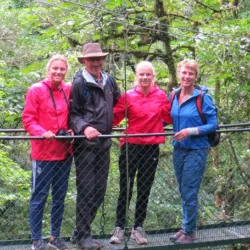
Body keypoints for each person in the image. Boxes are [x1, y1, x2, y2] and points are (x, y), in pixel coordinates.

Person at [109, 61, 172, 245]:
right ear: (136, 76)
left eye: (148, 74)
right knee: (125, 187)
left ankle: (138, 227)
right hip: (131, 146)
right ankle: (119, 227)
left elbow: (169, 116)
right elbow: (114, 117)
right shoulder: (128, 96)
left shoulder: (160, 96)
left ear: (153, 76)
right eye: (141, 74)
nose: (144, 77)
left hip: (151, 147)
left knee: (144, 188)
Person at [69, 43, 121, 249]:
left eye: (99, 58)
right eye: (91, 59)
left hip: (104, 143)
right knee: (86, 190)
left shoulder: (109, 80)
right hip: (85, 146)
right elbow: (72, 114)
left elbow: (116, 101)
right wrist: (85, 127)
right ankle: (83, 237)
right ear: (84, 61)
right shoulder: (79, 83)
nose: (96, 62)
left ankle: (79, 231)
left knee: (99, 190)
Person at [22, 55, 72, 250]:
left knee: (60, 196)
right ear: (48, 69)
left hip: (64, 152)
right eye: (55, 68)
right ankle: (36, 241)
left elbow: (72, 116)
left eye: (62, 69)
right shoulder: (36, 90)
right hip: (43, 152)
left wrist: (72, 130)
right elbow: (28, 119)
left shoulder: (68, 90)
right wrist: (43, 132)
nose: (58, 72)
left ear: (66, 71)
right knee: (39, 196)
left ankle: (54, 237)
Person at [169, 59, 218, 244]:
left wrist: (191, 131)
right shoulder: (173, 95)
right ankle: (185, 227)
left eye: (191, 73)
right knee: (183, 190)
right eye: (184, 72)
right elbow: (166, 118)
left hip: (197, 149)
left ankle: (190, 231)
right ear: (179, 74)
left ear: (195, 76)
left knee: (189, 190)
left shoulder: (203, 97)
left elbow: (213, 125)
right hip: (178, 149)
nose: (187, 76)